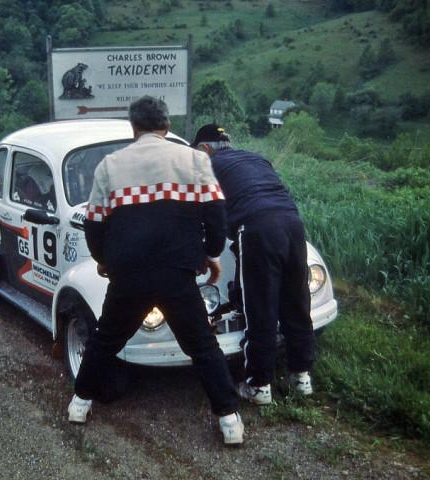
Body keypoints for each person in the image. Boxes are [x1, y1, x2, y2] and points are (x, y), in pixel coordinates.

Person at [67, 96, 244, 445]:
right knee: (203, 346)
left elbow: (94, 223)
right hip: (177, 272)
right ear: (166, 125)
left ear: (134, 128)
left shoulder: (109, 166)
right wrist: (209, 253)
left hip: (128, 273)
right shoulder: (194, 159)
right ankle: (229, 422)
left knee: (105, 339)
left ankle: (78, 404)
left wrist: (103, 258)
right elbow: (216, 214)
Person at [192, 123, 316, 405]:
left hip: (258, 228)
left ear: (205, 149)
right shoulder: (256, 158)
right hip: (292, 224)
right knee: (297, 300)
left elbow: (208, 212)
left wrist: (206, 249)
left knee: (260, 306)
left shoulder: (207, 166)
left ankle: (258, 385)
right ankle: (302, 377)